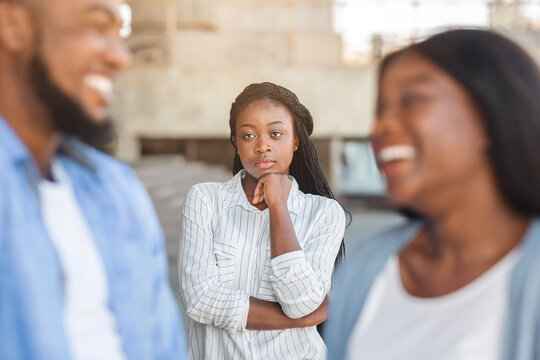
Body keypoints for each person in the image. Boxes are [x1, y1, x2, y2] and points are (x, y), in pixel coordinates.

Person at [325, 29, 540, 360]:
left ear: (489, 113)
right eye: (380, 109)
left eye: (411, 100)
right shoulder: (366, 267)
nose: (379, 128)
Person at [0, 0, 186, 359]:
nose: (121, 58)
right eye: (98, 27)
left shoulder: (119, 191)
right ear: (12, 25)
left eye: (122, 33)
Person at [178, 82, 346, 359]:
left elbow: (301, 302)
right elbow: (200, 300)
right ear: (235, 141)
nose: (262, 146)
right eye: (248, 135)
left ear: (295, 139)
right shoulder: (205, 200)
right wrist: (299, 321)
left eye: (276, 133)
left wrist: (279, 206)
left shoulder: (324, 213)